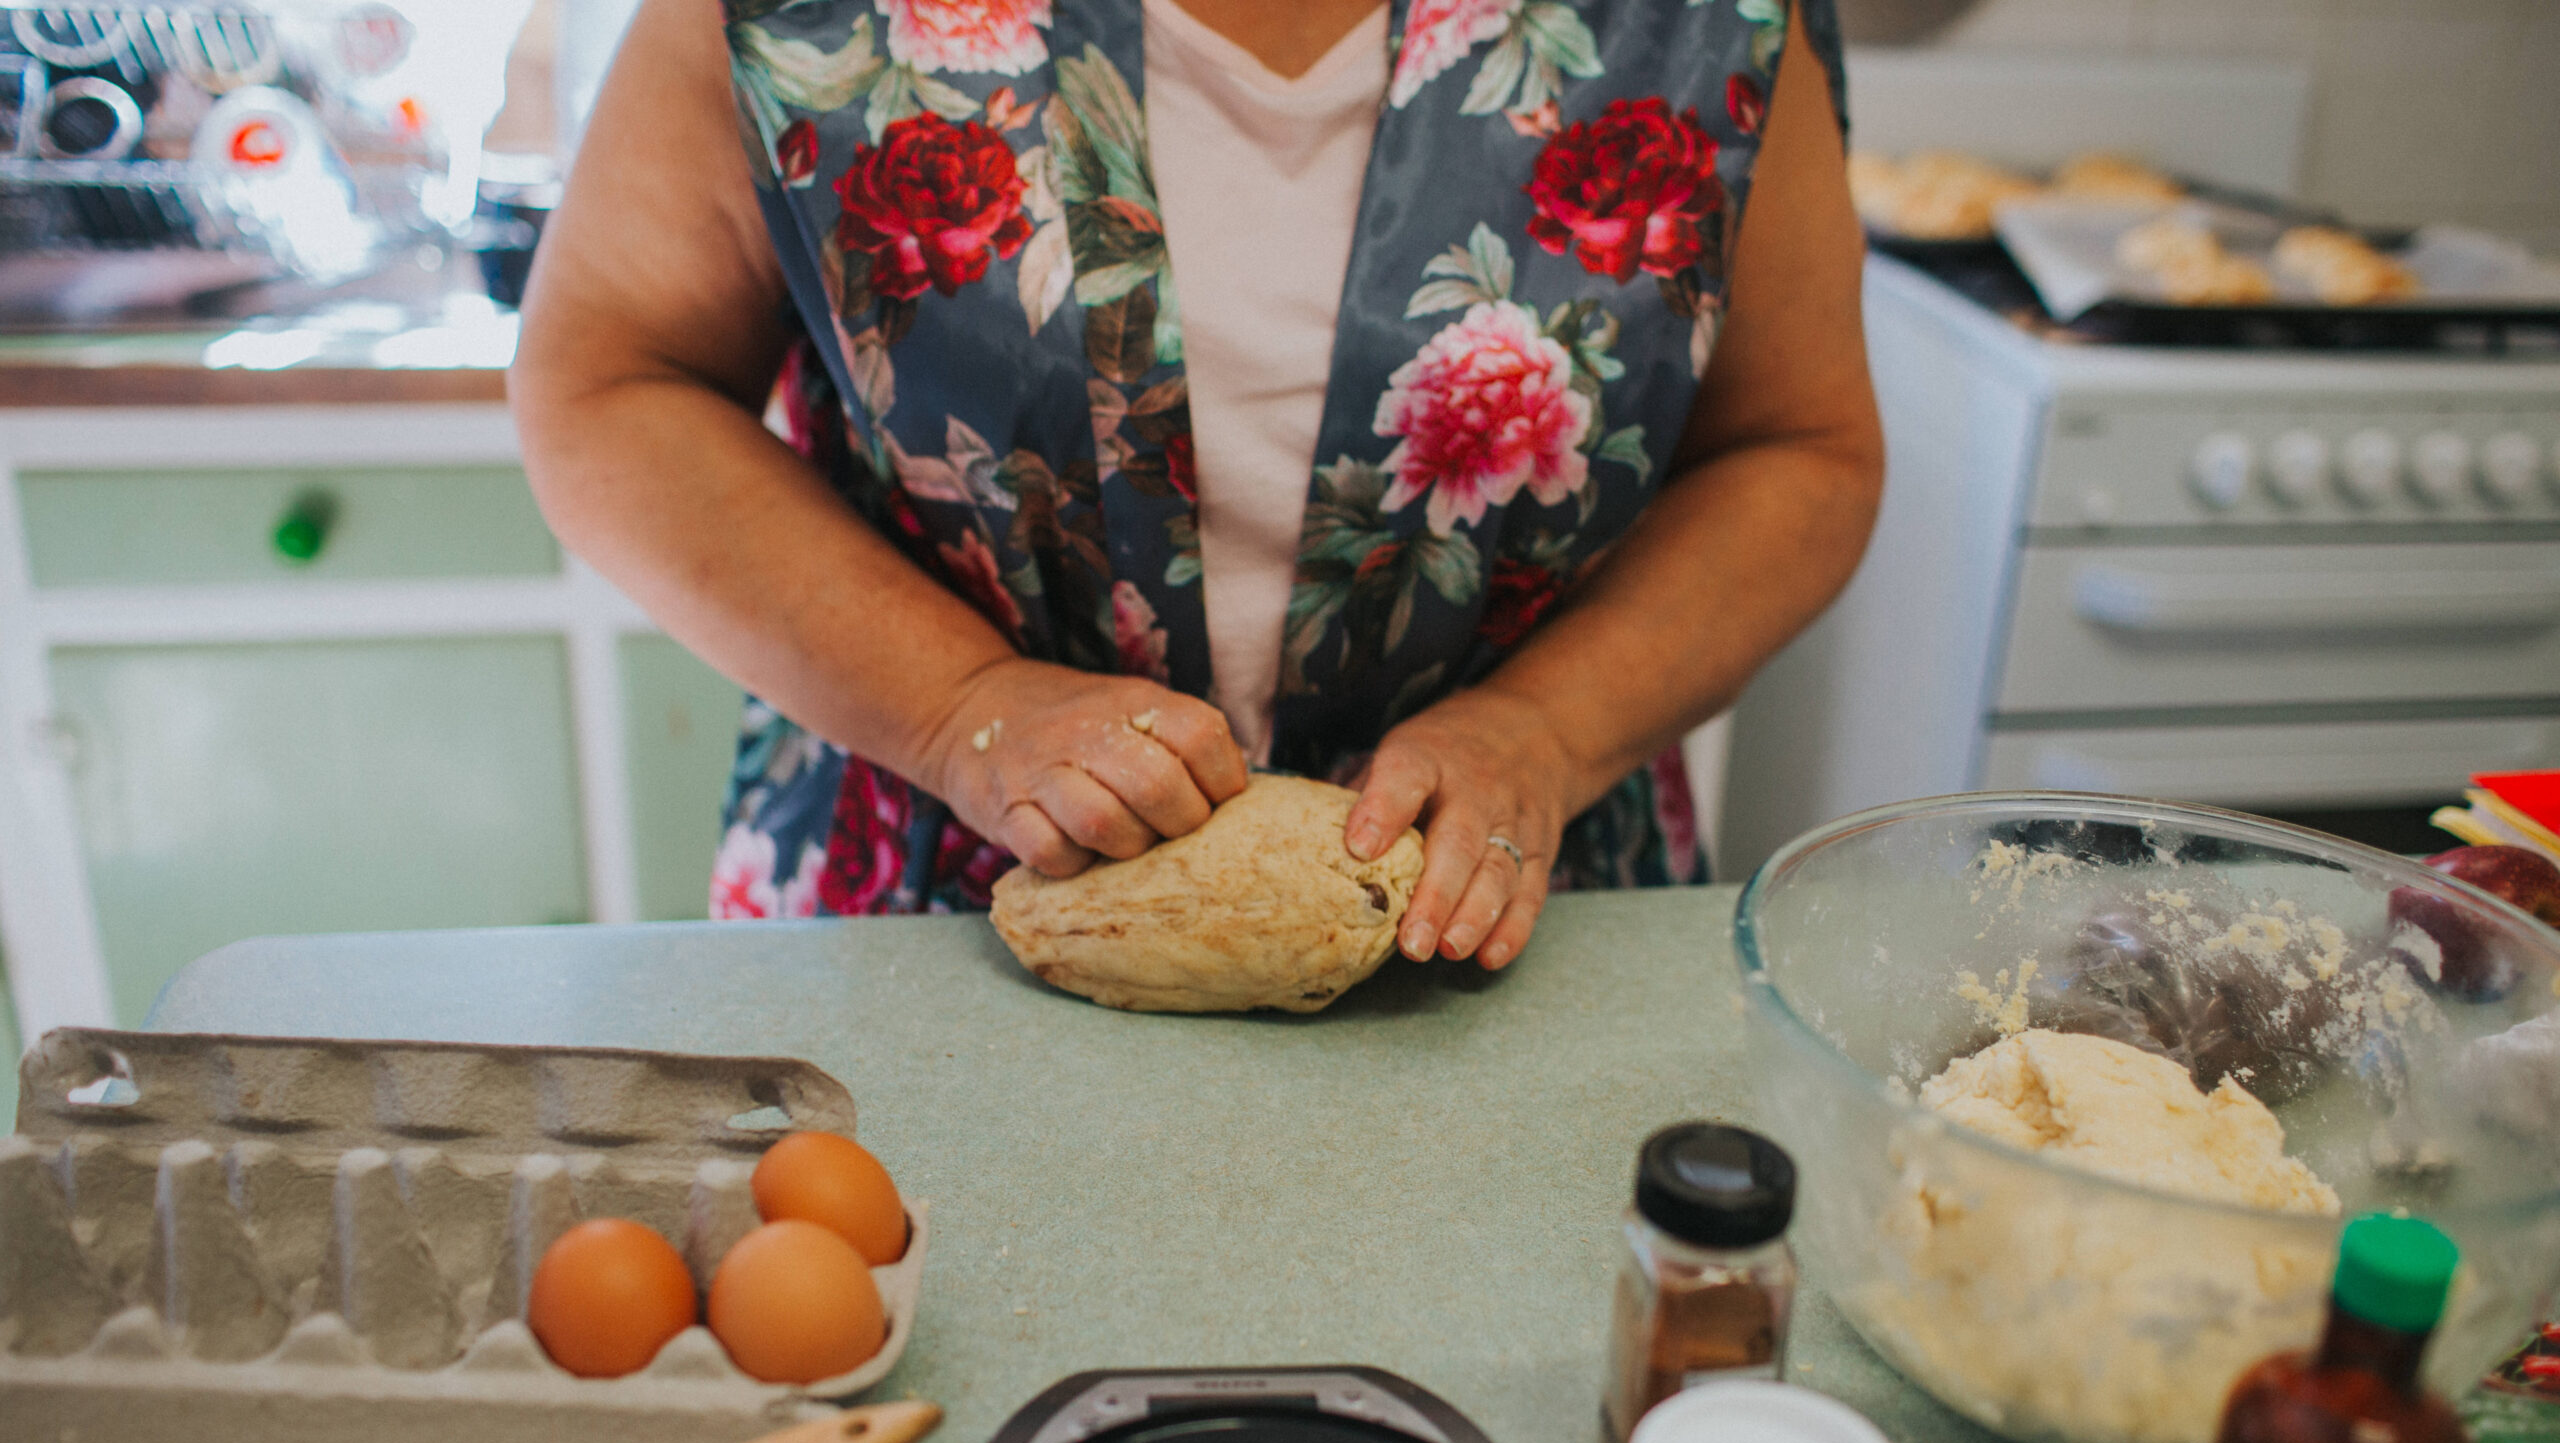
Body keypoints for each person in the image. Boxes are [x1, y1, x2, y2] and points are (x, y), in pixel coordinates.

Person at [512, 0, 1881, 971]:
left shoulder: (1712, 22)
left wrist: (1546, 732)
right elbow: (613, 383)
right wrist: (959, 710)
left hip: (1508, 906)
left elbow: (1798, 451)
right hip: (934, 918)